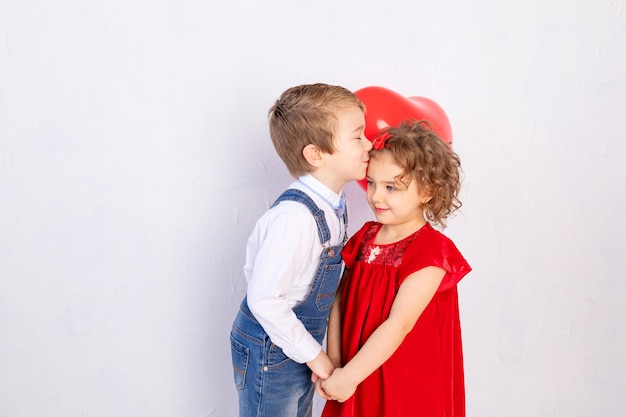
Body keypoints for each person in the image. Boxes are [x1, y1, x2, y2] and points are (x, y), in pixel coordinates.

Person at [229, 83, 372, 417]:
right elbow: (264, 298)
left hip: (294, 343)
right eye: (357, 137)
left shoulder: (333, 206)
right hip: (270, 349)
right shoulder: (295, 219)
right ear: (316, 154)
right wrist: (314, 354)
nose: (370, 144)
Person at [319, 119, 472, 417]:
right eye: (372, 183)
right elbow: (339, 300)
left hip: (403, 376)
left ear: (427, 191)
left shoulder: (430, 250)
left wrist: (350, 376)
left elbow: (399, 324)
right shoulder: (365, 236)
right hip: (356, 366)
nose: (376, 196)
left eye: (391, 187)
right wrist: (337, 366)